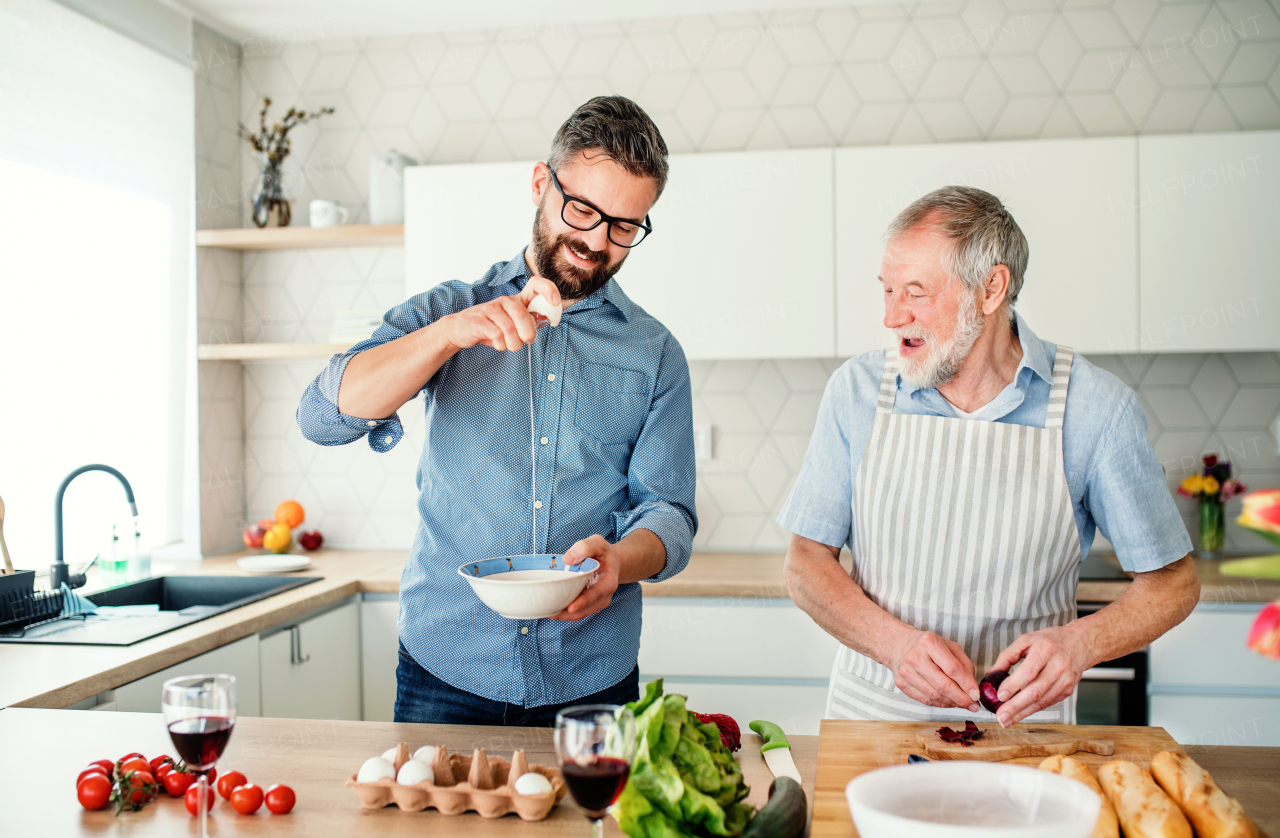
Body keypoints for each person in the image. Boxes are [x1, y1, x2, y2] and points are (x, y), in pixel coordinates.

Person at [296, 96, 696, 726]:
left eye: (624, 226)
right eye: (584, 210)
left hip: (592, 678)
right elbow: (322, 417)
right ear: (542, 183)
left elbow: (670, 515)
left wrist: (621, 561)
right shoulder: (450, 312)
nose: (597, 241)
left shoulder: (655, 353)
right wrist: (446, 337)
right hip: (445, 671)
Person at [778, 186, 1200, 726]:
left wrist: (1080, 644)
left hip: (1024, 730)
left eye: (915, 292)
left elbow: (1175, 583)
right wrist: (893, 645)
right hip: (873, 719)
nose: (891, 317)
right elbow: (805, 563)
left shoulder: (1096, 409)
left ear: (991, 289)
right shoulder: (856, 392)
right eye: (887, 291)